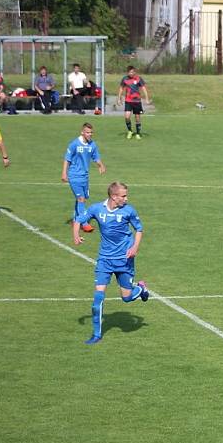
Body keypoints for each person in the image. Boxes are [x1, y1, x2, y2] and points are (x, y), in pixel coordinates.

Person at [73, 182, 150, 345]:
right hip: (105, 260)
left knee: (127, 298)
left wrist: (135, 247)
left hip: (124, 259)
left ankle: (141, 288)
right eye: (123, 196)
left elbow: (139, 229)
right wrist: (76, 236)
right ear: (113, 197)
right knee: (97, 299)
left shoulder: (128, 210)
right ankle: (96, 334)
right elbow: (78, 220)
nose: (126, 199)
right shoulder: (96, 209)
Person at [62, 123, 106, 233]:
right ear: (82, 132)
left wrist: (101, 165)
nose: (89, 134)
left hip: (85, 177)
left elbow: (96, 157)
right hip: (74, 176)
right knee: (81, 199)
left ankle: (75, 220)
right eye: (87, 132)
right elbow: (67, 159)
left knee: (83, 199)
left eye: (91, 132)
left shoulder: (92, 145)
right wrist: (64, 173)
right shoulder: (74, 144)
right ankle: (84, 223)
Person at [117, 65, 151, 140]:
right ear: (127, 72)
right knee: (127, 116)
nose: (131, 73)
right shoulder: (124, 79)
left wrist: (147, 98)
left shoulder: (139, 79)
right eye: (129, 72)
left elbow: (143, 88)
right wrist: (119, 99)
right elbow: (121, 89)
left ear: (134, 72)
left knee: (137, 118)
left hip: (137, 101)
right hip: (128, 101)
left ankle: (138, 133)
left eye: (132, 72)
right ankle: (130, 131)